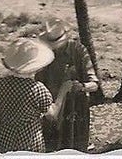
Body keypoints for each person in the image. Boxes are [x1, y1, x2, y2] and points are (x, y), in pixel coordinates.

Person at [0, 38, 70, 153]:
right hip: (30, 144)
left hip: (4, 141)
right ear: (37, 67)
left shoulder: (0, 84)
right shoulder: (38, 89)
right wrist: (63, 91)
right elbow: (52, 115)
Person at [37, 22, 96, 150]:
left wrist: (81, 86)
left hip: (74, 108)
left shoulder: (79, 51)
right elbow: (38, 82)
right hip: (51, 108)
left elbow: (94, 85)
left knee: (75, 148)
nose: (54, 48)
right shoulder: (44, 54)